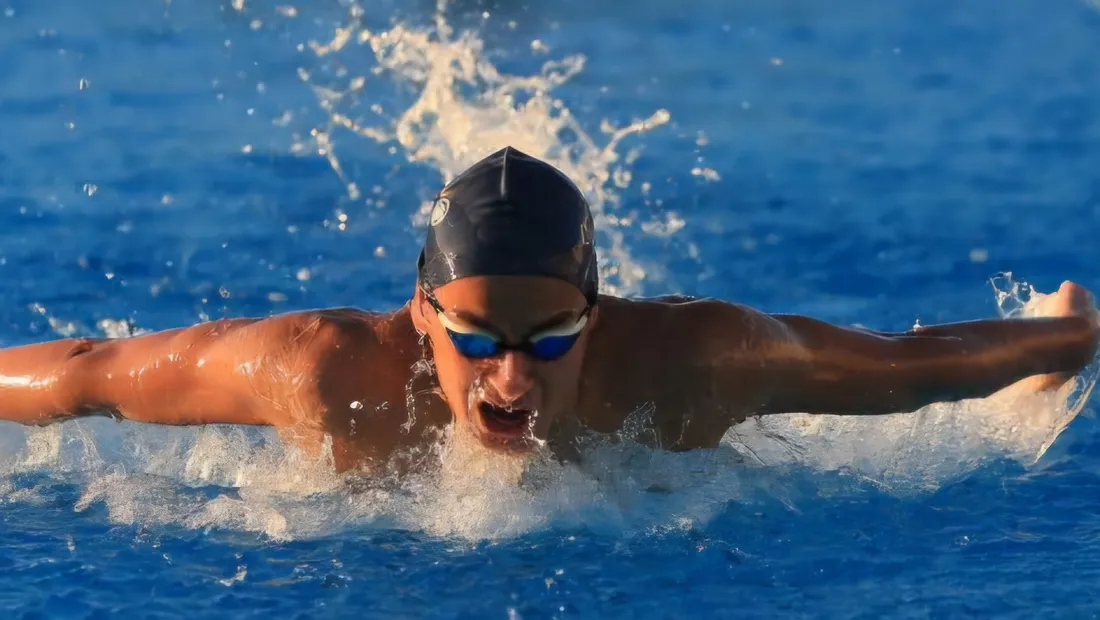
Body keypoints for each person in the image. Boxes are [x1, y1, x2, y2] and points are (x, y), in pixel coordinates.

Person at [0, 147, 1096, 473]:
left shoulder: (689, 363)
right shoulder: (328, 374)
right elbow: (92, 372)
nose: (508, 377)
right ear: (420, 312)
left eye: (548, 339)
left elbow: (909, 367)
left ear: (597, 312)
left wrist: (1065, 339)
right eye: (473, 339)